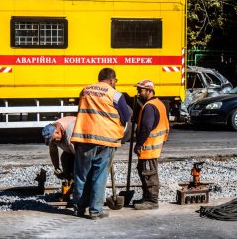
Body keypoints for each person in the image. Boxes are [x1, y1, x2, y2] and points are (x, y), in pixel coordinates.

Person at [70, 67, 130, 220]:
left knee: (81, 176)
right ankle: (95, 212)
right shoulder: (115, 94)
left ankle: (79, 209)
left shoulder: (85, 90)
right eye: (115, 81)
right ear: (112, 80)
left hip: (84, 138)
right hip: (106, 140)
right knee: (99, 176)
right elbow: (126, 116)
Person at [133, 79, 169, 210]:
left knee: (149, 173)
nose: (138, 93)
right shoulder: (159, 103)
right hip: (155, 146)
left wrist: (138, 144)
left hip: (149, 147)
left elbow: (146, 128)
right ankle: (147, 197)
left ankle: (152, 201)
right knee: (145, 172)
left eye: (140, 90)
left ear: (149, 91)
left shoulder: (149, 106)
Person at [42, 116, 77, 182]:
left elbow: (80, 157)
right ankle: (69, 182)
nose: (55, 142)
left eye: (55, 140)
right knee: (65, 157)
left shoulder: (70, 133)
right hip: (71, 149)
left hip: (83, 150)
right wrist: (57, 167)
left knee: (76, 169)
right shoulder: (52, 134)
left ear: (58, 132)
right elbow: (53, 152)